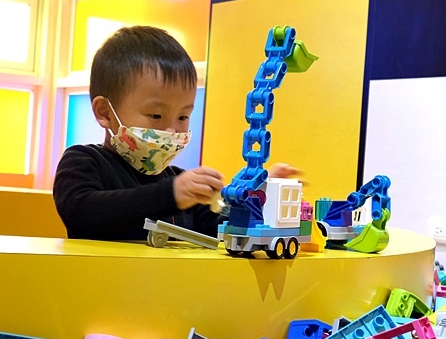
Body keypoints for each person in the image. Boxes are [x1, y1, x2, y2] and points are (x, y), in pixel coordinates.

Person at [52, 26, 298, 241]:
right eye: (156, 116)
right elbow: (81, 213)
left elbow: (221, 231)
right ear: (105, 112)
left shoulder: (178, 181)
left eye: (182, 117)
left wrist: (257, 199)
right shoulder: (84, 161)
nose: (172, 130)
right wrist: (170, 194)